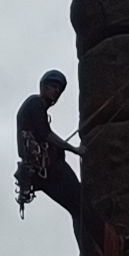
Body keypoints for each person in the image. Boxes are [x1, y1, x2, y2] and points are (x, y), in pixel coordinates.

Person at [15, 68, 83, 232]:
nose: (56, 91)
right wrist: (74, 149)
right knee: (81, 202)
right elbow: (46, 135)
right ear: (43, 86)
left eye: (59, 89)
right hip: (49, 168)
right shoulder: (35, 103)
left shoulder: (35, 110)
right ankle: (110, 243)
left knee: (76, 209)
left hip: (38, 174)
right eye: (53, 86)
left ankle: (93, 253)